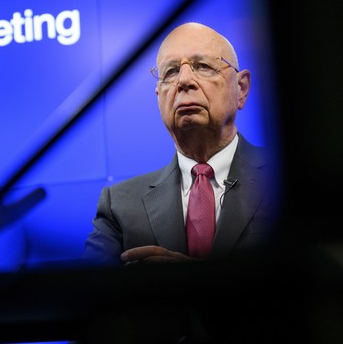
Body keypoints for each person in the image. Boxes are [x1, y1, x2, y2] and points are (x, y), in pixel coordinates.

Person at [83, 22, 279, 265]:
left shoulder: (288, 178)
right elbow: (89, 295)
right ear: (159, 96)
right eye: (171, 72)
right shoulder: (119, 205)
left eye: (203, 66)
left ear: (241, 88)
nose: (184, 81)